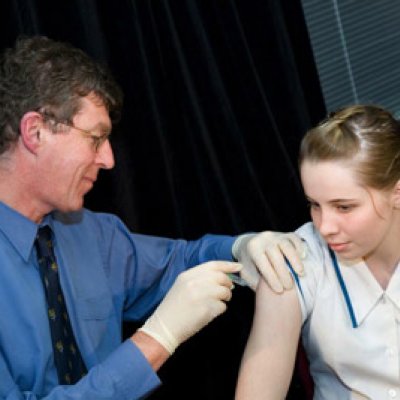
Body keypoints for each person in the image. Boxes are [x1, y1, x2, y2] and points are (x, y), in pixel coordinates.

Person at [0, 36, 305, 399]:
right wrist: (157, 339)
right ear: (35, 132)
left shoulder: (88, 233)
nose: (108, 160)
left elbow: (180, 260)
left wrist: (243, 248)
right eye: (95, 138)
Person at [235, 104, 400, 400]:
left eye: (344, 207)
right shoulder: (297, 260)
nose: (325, 227)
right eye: (314, 204)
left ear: (397, 193)